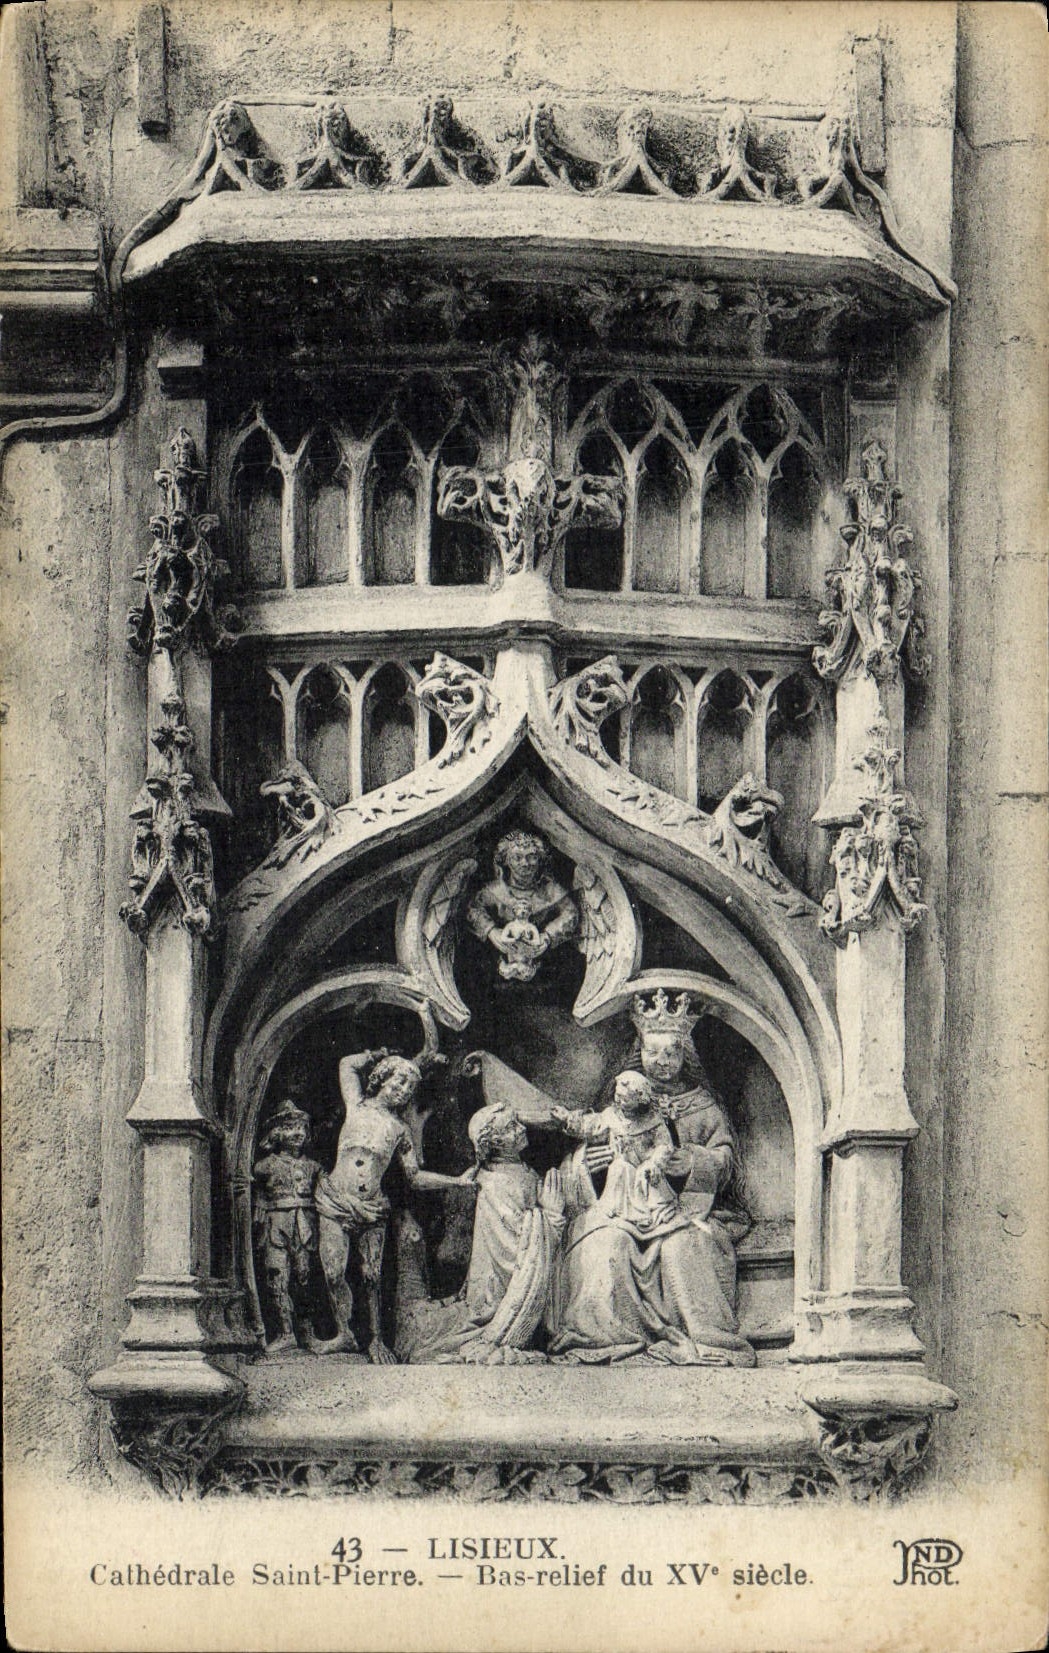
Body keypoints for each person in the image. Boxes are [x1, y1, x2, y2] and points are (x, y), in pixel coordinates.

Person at [547, 992, 755, 1367]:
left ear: (685, 1056)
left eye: (671, 1054)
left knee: (683, 1249)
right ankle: (606, 1340)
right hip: (617, 1206)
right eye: (652, 1053)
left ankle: (706, 1340)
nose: (661, 1063)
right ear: (638, 1054)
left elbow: (725, 1164)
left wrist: (689, 1161)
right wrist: (587, 1164)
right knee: (605, 1246)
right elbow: (587, 1143)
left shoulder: (703, 1105)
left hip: (688, 1212)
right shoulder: (619, 1100)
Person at [315, 1049, 474, 1364]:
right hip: (335, 1199)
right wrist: (377, 1054)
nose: (402, 1091)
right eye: (398, 1082)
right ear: (381, 1079)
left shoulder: (400, 1130)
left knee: (371, 1276)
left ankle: (375, 1340)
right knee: (334, 1272)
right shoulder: (356, 1104)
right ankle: (344, 1333)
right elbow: (346, 1062)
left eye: (408, 1088)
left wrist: (457, 1182)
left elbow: (414, 1177)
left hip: (372, 1207)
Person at [397, 1101, 566, 1364]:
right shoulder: (496, 1184)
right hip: (500, 1290)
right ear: (495, 1142)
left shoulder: (518, 1170)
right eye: (512, 1127)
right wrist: (552, 1217)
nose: (522, 1129)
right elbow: (515, 1249)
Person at [252, 1100, 322, 1354]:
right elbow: (257, 1189)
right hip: (275, 1225)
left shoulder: (314, 1167)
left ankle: (308, 1333)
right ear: (277, 1132)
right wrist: (258, 1203)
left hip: (305, 1225)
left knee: (304, 1278)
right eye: (291, 1127)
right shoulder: (265, 1166)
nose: (298, 1133)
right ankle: (286, 1333)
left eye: (302, 1127)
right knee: (277, 1277)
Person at [466, 830, 578, 981]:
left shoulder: (551, 890)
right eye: (517, 857)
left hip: (545, 963)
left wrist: (548, 936)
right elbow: (473, 908)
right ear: (505, 860)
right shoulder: (495, 891)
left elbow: (570, 913)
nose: (525, 864)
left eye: (532, 857)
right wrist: (491, 932)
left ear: (540, 859)